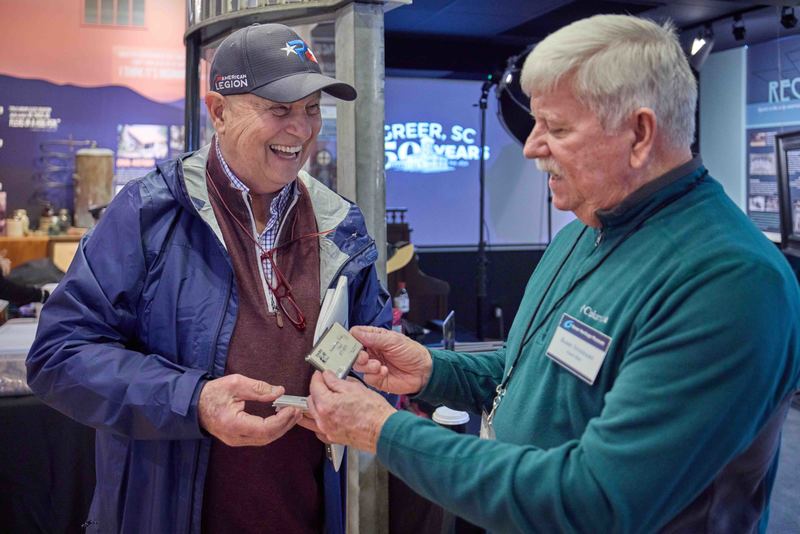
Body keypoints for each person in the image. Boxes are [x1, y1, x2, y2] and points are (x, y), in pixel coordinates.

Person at [304, 14, 800, 533]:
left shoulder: (729, 283)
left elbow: (596, 501)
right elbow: (525, 373)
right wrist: (434, 370)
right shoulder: (585, 229)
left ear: (640, 133)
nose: (531, 147)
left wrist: (384, 430)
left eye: (557, 128)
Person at [26, 23, 390, 534]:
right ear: (218, 111)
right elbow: (58, 356)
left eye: (312, 110)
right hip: (165, 515)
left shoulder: (338, 225)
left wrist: (361, 388)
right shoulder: (148, 215)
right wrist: (192, 401)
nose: (303, 130)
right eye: (280, 110)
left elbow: (375, 356)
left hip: (304, 514)